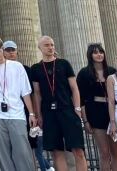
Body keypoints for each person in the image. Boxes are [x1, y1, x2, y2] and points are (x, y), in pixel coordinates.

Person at [30, 36, 87, 171]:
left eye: (52, 45)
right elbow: (37, 93)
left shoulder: (64, 64)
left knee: (78, 150)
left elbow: (74, 88)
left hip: (67, 110)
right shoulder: (36, 68)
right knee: (56, 152)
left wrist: (77, 109)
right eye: (47, 45)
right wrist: (39, 115)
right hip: (48, 113)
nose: (50, 47)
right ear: (40, 48)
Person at [0, 37, 36, 170]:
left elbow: (25, 91)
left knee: (22, 152)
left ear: (2, 49)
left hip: (17, 113)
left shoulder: (17, 66)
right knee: (3, 154)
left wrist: (31, 113)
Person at [76, 44, 117, 171]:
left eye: (101, 52)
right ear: (90, 55)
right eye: (95, 52)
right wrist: (85, 121)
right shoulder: (84, 73)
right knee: (104, 153)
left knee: (116, 153)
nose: (99, 54)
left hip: (113, 112)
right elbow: (81, 99)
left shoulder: (112, 71)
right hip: (95, 113)